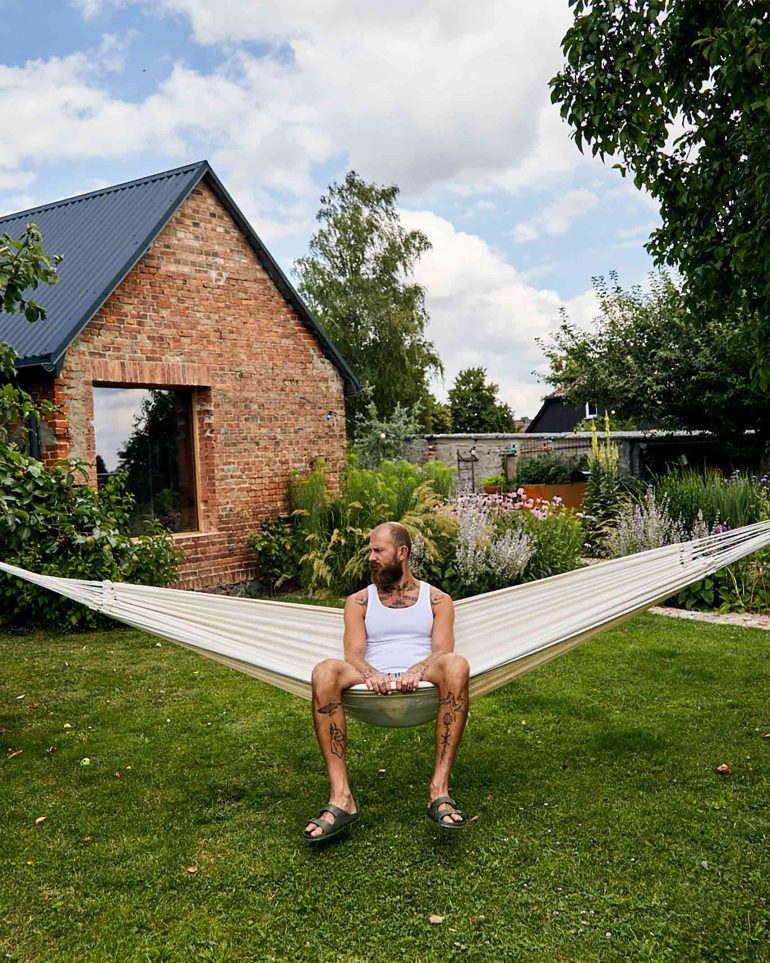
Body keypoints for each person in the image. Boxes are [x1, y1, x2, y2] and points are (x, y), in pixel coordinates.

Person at [303, 521, 470, 843]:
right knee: (324, 671)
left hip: (424, 674)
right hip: (371, 674)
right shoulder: (359, 601)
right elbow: (353, 654)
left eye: (378, 551)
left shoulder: (438, 600)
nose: (371, 557)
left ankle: (439, 790)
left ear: (402, 553)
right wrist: (372, 674)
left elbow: (442, 651)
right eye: (371, 551)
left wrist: (417, 670)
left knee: (456, 665)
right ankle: (341, 797)